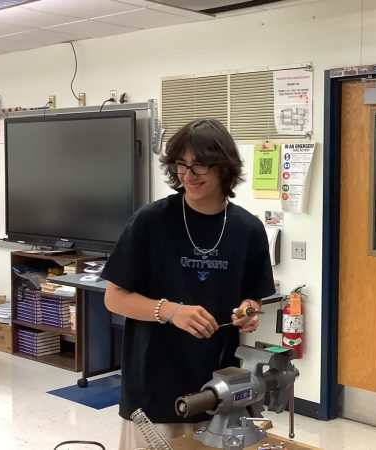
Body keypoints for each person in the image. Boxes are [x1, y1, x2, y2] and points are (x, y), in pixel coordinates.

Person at [101, 118, 275, 449]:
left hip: (221, 385)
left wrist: (249, 311)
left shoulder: (247, 229)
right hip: (154, 386)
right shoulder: (150, 221)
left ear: (224, 167)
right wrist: (170, 311)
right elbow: (114, 298)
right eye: (181, 165)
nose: (188, 176)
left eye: (200, 166)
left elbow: (253, 297)